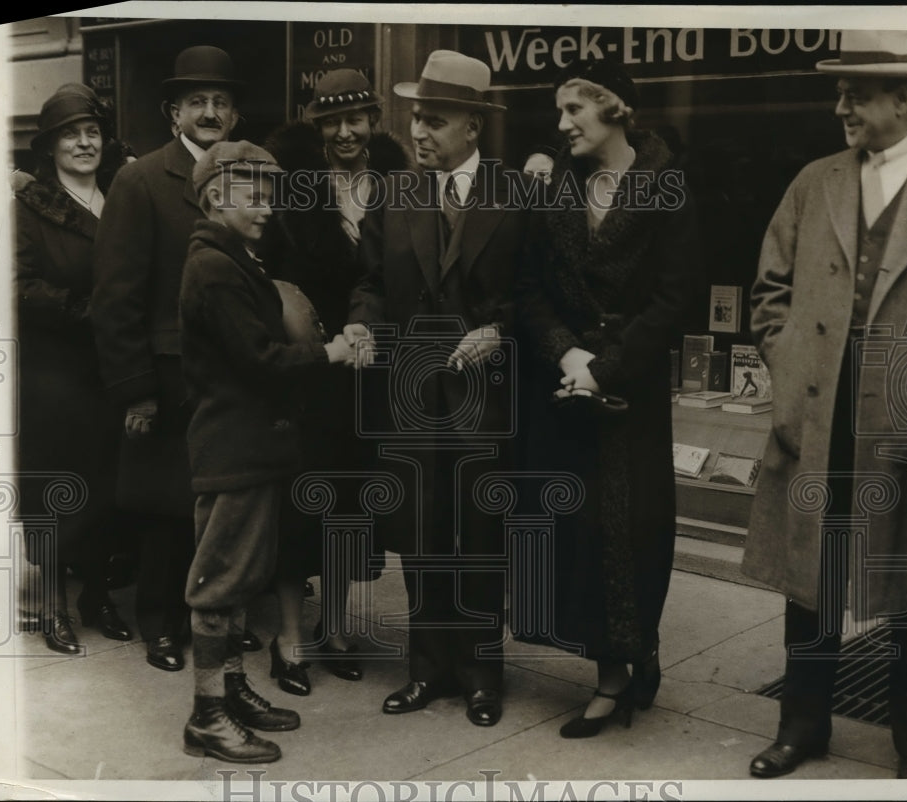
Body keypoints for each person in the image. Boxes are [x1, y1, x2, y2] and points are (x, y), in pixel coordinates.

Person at [742, 30, 907, 780]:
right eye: (839, 89)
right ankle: (801, 726)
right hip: (817, 417)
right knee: (810, 580)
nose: (840, 104)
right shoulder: (815, 181)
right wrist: (787, 366)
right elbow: (769, 290)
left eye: (858, 92)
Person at [344, 50, 531, 727]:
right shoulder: (395, 194)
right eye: (417, 118)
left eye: (435, 120)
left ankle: (482, 676)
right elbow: (368, 282)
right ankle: (427, 671)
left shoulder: (516, 196)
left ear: (473, 127)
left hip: (486, 398)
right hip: (411, 397)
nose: (418, 131)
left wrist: (498, 332)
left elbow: (533, 298)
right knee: (422, 537)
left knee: (479, 538)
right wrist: (362, 325)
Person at [516, 56, 699, 737]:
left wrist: (606, 368)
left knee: (630, 531)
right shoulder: (553, 187)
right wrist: (567, 353)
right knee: (575, 535)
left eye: (575, 111)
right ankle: (612, 671)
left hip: (628, 393)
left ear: (616, 110)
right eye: (559, 112)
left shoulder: (666, 186)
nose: (561, 124)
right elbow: (527, 287)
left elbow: (675, 295)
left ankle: (626, 667)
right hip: (563, 385)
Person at [179, 140, 354, 762]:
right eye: (253, 195)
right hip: (234, 448)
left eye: (270, 193)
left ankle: (229, 691)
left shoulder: (235, 258)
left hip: (250, 446)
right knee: (220, 581)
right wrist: (327, 353)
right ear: (216, 196)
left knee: (241, 572)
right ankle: (207, 716)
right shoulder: (215, 266)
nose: (267, 207)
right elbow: (258, 362)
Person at [91, 46, 259, 672]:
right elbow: (115, 296)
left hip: (229, 376)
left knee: (224, 504)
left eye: (219, 103)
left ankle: (217, 619)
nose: (209, 112)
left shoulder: (247, 179)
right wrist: (136, 387)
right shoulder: (140, 181)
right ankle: (160, 623)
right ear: (173, 114)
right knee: (166, 508)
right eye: (196, 103)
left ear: (235, 115)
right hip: (166, 375)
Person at [258, 68, 412, 695]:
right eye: (332, 122)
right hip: (311, 373)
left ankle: (340, 628)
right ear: (315, 124)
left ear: (374, 121)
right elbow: (265, 278)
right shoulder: (287, 186)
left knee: (355, 502)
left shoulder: (400, 182)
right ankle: (290, 635)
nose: (345, 133)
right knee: (303, 501)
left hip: (374, 373)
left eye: (356, 120)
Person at [14, 83, 135, 655]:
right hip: (54, 371)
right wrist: (88, 311)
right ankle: (54, 605)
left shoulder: (122, 196)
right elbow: (18, 285)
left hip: (110, 367)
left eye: (92, 132)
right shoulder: (29, 207)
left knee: (106, 481)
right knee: (58, 483)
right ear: (50, 146)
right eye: (71, 134)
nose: (84, 143)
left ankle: (96, 597)